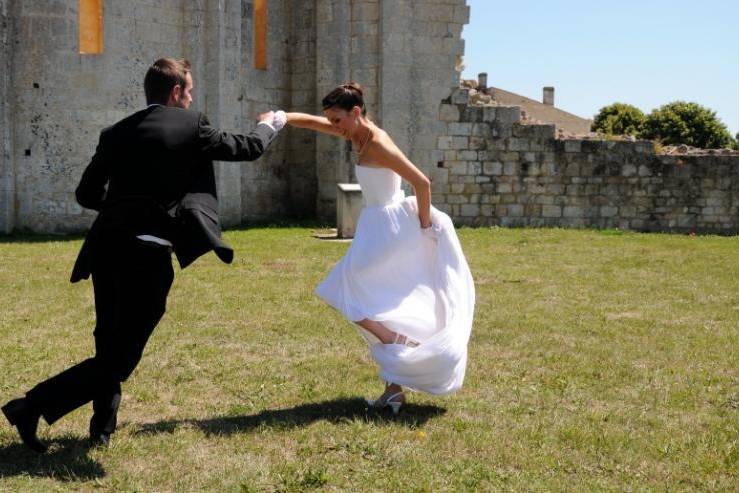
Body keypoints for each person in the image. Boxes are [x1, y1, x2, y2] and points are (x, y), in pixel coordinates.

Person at [2, 58, 286, 452]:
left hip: (105, 248)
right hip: (145, 253)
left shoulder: (115, 132)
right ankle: (30, 406)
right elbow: (249, 147)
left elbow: (86, 194)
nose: (190, 99)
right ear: (175, 93)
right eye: (188, 92)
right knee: (121, 358)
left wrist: (122, 208)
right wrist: (271, 123)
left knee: (109, 340)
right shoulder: (192, 124)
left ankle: (101, 429)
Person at [286, 83, 475, 413]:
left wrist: (425, 226)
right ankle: (394, 389)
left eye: (338, 120)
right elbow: (313, 123)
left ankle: (394, 339)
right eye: (331, 120)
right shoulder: (354, 133)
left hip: (390, 226)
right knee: (382, 299)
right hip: (373, 223)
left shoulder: (379, 143)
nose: (333, 127)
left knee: (341, 286)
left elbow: (422, 182)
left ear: (356, 113)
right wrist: (280, 117)